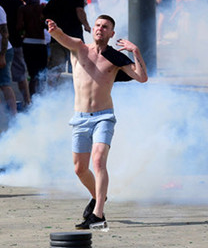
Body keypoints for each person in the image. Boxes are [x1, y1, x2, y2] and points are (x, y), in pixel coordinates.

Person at [46, 14, 148, 230]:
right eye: (98, 25)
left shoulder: (115, 58)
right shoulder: (79, 48)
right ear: (93, 29)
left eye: (106, 27)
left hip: (104, 116)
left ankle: (98, 215)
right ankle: (98, 198)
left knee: (99, 160)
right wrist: (54, 29)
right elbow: (61, 37)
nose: (100, 29)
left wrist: (135, 51)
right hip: (80, 118)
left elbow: (141, 77)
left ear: (112, 33)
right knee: (79, 169)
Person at [43, 0, 90, 79]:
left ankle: (52, 92)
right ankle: (75, 91)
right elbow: (80, 11)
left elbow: (45, 15)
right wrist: (86, 25)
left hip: (58, 39)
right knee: (76, 67)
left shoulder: (55, 0)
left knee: (55, 68)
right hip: (74, 39)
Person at [0, 0, 31, 108]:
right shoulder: (19, 4)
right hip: (16, 42)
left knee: (0, 77)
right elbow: (23, 25)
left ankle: (2, 104)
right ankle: (27, 101)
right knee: (20, 74)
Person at [18, 0, 47, 95]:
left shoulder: (23, 8)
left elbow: (19, 26)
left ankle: (31, 99)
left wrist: (27, 27)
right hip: (41, 42)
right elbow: (47, 24)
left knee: (32, 74)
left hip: (28, 42)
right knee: (41, 74)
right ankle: (41, 99)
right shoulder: (43, 8)